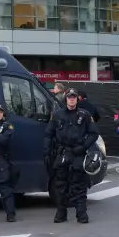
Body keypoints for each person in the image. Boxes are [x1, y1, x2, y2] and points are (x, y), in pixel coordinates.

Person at [44, 88, 98, 224]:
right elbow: (48, 134)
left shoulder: (84, 114)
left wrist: (84, 146)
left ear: (77, 99)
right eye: (69, 97)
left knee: (79, 184)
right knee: (61, 184)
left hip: (78, 153)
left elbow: (93, 133)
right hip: (62, 153)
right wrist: (46, 152)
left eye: (74, 97)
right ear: (66, 99)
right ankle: (61, 212)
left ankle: (81, 214)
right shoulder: (57, 115)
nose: (72, 99)